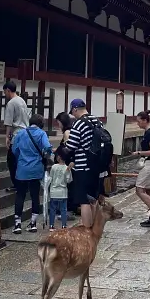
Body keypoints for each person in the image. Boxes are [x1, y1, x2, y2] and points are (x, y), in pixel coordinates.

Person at [64, 98, 108, 228]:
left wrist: (64, 146)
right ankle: (95, 226)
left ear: (75, 109)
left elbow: (71, 145)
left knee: (84, 200)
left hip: (83, 166)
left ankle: (87, 228)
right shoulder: (97, 120)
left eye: (72, 112)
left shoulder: (78, 124)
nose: (73, 114)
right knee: (93, 199)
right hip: (96, 166)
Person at [11, 114, 52, 234]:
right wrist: (44, 156)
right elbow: (47, 148)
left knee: (20, 195)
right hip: (36, 169)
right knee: (35, 195)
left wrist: (21, 159)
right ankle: (33, 223)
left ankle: (17, 224)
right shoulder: (41, 134)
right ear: (41, 124)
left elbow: (15, 150)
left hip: (22, 169)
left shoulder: (21, 133)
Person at [3, 81, 30, 190]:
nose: (5, 94)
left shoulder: (11, 103)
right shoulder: (22, 100)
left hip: (16, 134)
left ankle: (16, 183)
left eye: (5, 92)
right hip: (25, 133)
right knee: (20, 160)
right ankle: (23, 182)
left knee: (11, 160)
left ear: (8, 90)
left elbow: (9, 122)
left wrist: (7, 137)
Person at [47, 149, 73, 230]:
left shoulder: (54, 167)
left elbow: (50, 178)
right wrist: (68, 171)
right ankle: (64, 225)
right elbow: (69, 180)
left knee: (52, 209)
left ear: (58, 157)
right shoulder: (67, 168)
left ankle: (51, 226)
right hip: (63, 192)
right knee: (63, 210)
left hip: (54, 192)